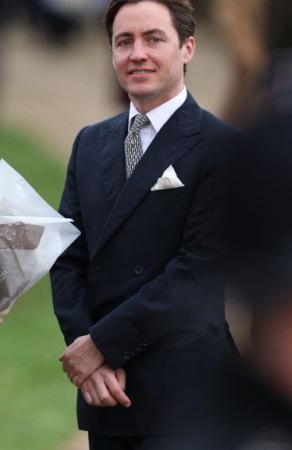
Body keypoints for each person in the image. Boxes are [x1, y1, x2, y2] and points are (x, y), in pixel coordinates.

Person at [50, 1, 237, 448]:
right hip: (106, 392)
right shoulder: (90, 143)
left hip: (185, 392)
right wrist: (86, 352)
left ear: (187, 48)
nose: (137, 53)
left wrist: (102, 345)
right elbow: (65, 254)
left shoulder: (221, 147)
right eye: (123, 41)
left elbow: (197, 273)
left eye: (153, 39)